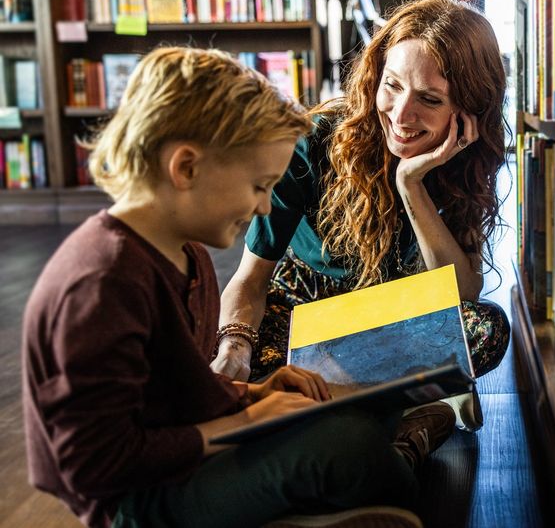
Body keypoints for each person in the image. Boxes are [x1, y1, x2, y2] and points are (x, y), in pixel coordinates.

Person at [22, 47, 423, 528]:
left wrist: (248, 395)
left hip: (186, 461)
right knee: (351, 446)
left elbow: (173, 392)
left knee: (354, 415)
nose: (263, 207)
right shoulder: (100, 284)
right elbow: (93, 464)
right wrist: (250, 419)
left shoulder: (188, 256)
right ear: (186, 167)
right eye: (258, 185)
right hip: (136, 504)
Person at [210, 0, 511, 444]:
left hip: (391, 328)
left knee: (487, 327)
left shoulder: (465, 160)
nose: (401, 115)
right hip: (303, 321)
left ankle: (337, 414)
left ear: (468, 110)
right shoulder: (314, 141)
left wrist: (412, 185)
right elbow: (251, 278)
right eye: (391, 85)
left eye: (429, 99)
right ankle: (408, 410)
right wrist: (234, 347)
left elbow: (461, 292)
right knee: (245, 364)